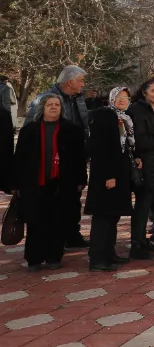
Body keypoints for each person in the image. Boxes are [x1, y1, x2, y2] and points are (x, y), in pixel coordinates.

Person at [11, 95, 87, 271]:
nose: (54, 107)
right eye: (49, 105)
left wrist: (81, 180)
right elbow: (19, 158)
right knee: (35, 221)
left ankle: (54, 257)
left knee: (58, 221)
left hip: (62, 184)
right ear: (42, 108)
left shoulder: (71, 130)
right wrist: (15, 183)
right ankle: (34, 259)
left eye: (57, 105)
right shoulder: (30, 130)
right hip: (34, 183)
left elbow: (80, 158)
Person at [25, 65, 89, 248]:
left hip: (73, 159)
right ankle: (48, 244)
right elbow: (31, 131)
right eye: (81, 81)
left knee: (72, 201)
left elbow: (82, 124)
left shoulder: (78, 99)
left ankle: (71, 235)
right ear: (70, 82)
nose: (83, 85)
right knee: (48, 205)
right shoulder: (45, 100)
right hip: (49, 162)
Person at [85, 104, 134, 271]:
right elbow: (102, 153)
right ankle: (98, 257)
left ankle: (108, 252)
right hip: (106, 179)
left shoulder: (118, 120)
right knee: (103, 219)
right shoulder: (104, 119)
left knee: (112, 217)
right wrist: (109, 175)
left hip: (116, 176)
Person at [127, 78, 154, 260]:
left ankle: (142, 240)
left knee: (147, 206)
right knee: (142, 205)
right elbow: (140, 141)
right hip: (144, 164)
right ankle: (136, 245)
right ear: (144, 91)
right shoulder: (137, 110)